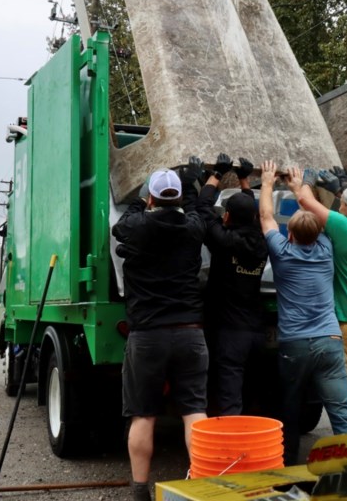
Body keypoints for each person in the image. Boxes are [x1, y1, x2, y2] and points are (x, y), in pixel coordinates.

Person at [112, 167, 208, 501]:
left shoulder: (136, 230)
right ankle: (199, 483)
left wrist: (139, 200)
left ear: (151, 197)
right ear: (179, 198)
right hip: (190, 334)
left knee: (144, 414)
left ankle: (140, 491)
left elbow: (120, 226)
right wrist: (196, 184)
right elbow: (197, 212)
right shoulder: (193, 230)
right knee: (194, 410)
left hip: (148, 335)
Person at [258, 160, 347, 467]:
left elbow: (265, 216)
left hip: (295, 344)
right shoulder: (327, 248)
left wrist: (266, 182)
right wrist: (299, 185)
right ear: (319, 233)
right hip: (330, 339)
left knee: (289, 407)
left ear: (288, 233)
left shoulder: (282, 252)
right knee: (342, 411)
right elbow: (321, 214)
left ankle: (288, 465)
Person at [291, 169, 347, 436]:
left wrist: (303, 182)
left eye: (343, 203)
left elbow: (306, 203)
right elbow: (345, 209)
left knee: (340, 397)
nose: (339, 205)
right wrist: (340, 191)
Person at [195, 153, 268, 416]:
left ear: (226, 216)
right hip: (257, 332)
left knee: (230, 396)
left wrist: (216, 174)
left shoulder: (224, 242)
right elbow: (252, 216)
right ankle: (256, 441)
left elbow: (203, 209)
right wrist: (244, 180)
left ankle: (233, 449)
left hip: (230, 334)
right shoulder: (262, 243)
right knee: (254, 393)